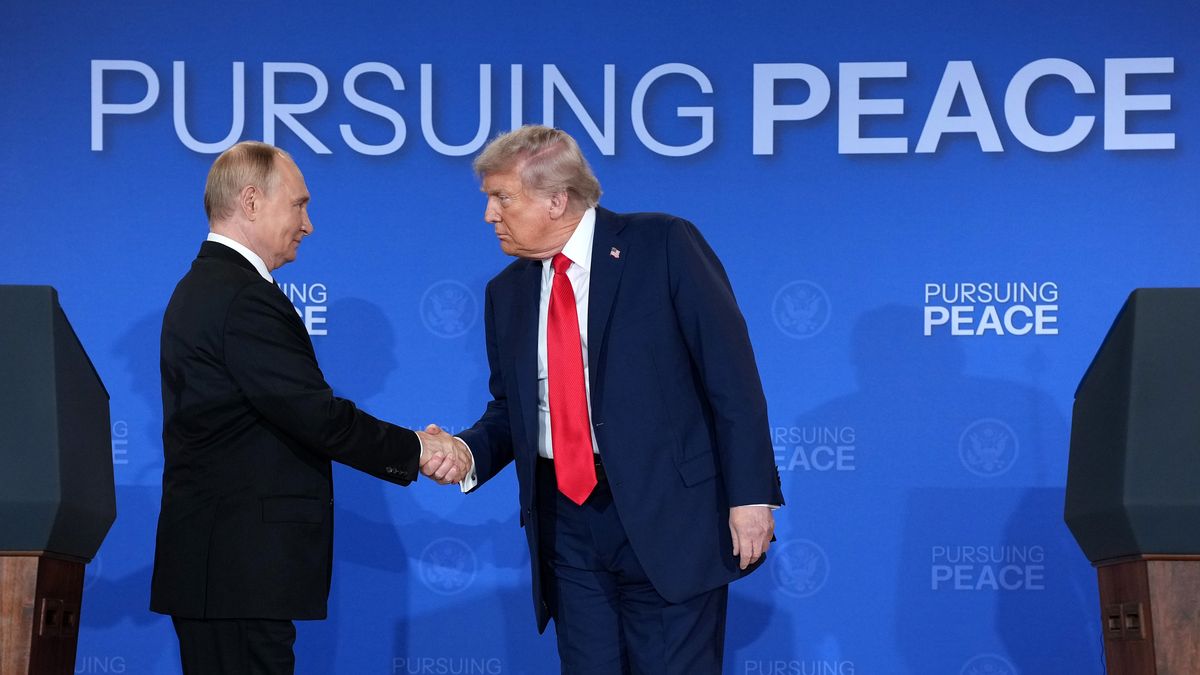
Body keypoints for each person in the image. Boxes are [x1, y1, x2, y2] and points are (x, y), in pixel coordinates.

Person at [425, 125, 783, 674]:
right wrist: (467, 452)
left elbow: (731, 379)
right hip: (567, 523)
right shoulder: (507, 292)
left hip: (672, 517)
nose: (489, 215)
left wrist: (751, 496)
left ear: (556, 199)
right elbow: (510, 412)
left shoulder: (663, 244)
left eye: (503, 198)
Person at [150, 141, 464, 674]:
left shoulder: (216, 287)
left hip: (229, 576)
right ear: (250, 201)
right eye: (299, 204)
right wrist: (419, 449)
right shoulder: (239, 296)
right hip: (237, 576)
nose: (309, 223)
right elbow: (315, 416)